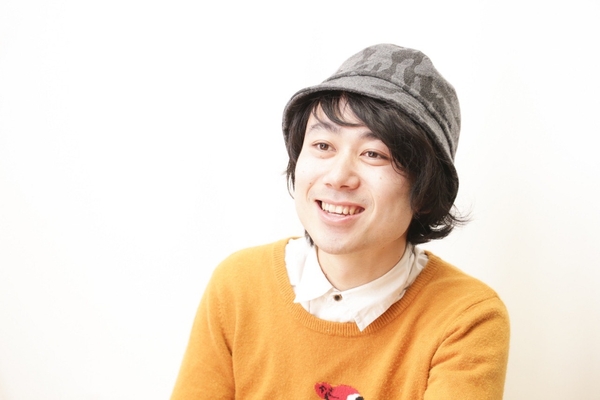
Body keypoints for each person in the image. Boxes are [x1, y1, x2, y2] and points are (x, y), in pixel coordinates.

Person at [171, 44, 510, 399]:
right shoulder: (239, 284)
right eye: (323, 146)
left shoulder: (466, 317)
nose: (337, 177)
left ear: (425, 191)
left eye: (373, 153)